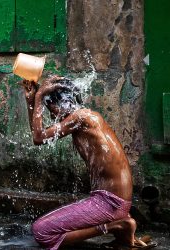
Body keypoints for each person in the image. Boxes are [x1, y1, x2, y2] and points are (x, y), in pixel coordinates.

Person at [20, 76, 156, 250]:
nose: (52, 114)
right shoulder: (83, 118)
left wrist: (38, 96)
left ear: (65, 102)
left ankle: (117, 225)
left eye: (51, 107)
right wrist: (32, 101)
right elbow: (38, 135)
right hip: (111, 200)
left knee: (41, 231)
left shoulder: (82, 118)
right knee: (45, 227)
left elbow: (38, 137)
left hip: (110, 202)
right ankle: (120, 228)